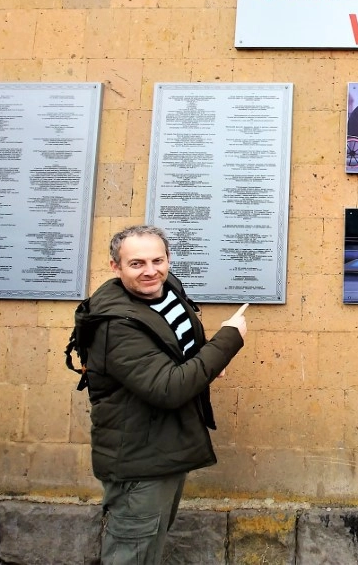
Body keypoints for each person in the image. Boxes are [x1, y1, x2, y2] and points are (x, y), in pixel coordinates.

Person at [72, 225, 249, 565]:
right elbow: (168, 388)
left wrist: (205, 362)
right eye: (137, 263)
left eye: (158, 260)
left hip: (166, 448)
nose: (151, 271)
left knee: (150, 547)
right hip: (140, 461)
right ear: (116, 267)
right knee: (132, 553)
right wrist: (227, 341)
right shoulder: (114, 325)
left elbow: (176, 350)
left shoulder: (167, 291)